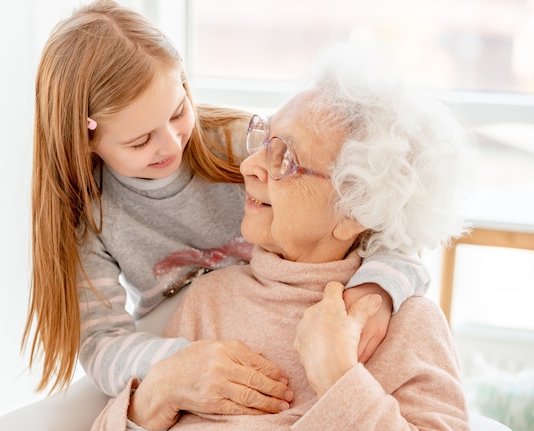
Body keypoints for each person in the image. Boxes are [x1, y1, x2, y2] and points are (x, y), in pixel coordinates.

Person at [23, 0, 433, 417]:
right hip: (189, 340)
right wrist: (180, 363)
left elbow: (382, 213)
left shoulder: (250, 147)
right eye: (140, 141)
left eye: (178, 112)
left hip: (281, 320)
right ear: (86, 140)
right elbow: (101, 343)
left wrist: (378, 290)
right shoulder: (91, 219)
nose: (170, 144)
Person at [90, 43, 473, 431]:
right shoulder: (208, 301)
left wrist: (340, 379)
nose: (247, 165)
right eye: (263, 140)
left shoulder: (407, 324)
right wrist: (158, 394)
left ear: (354, 209)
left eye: (285, 158)